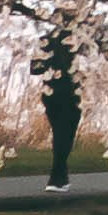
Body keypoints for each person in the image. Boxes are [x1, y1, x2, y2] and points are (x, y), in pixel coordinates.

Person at [36, 34, 82, 192]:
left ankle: (62, 176)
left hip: (50, 95)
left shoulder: (45, 41)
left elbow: (36, 69)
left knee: (60, 134)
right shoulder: (80, 40)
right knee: (65, 135)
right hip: (70, 95)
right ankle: (56, 177)